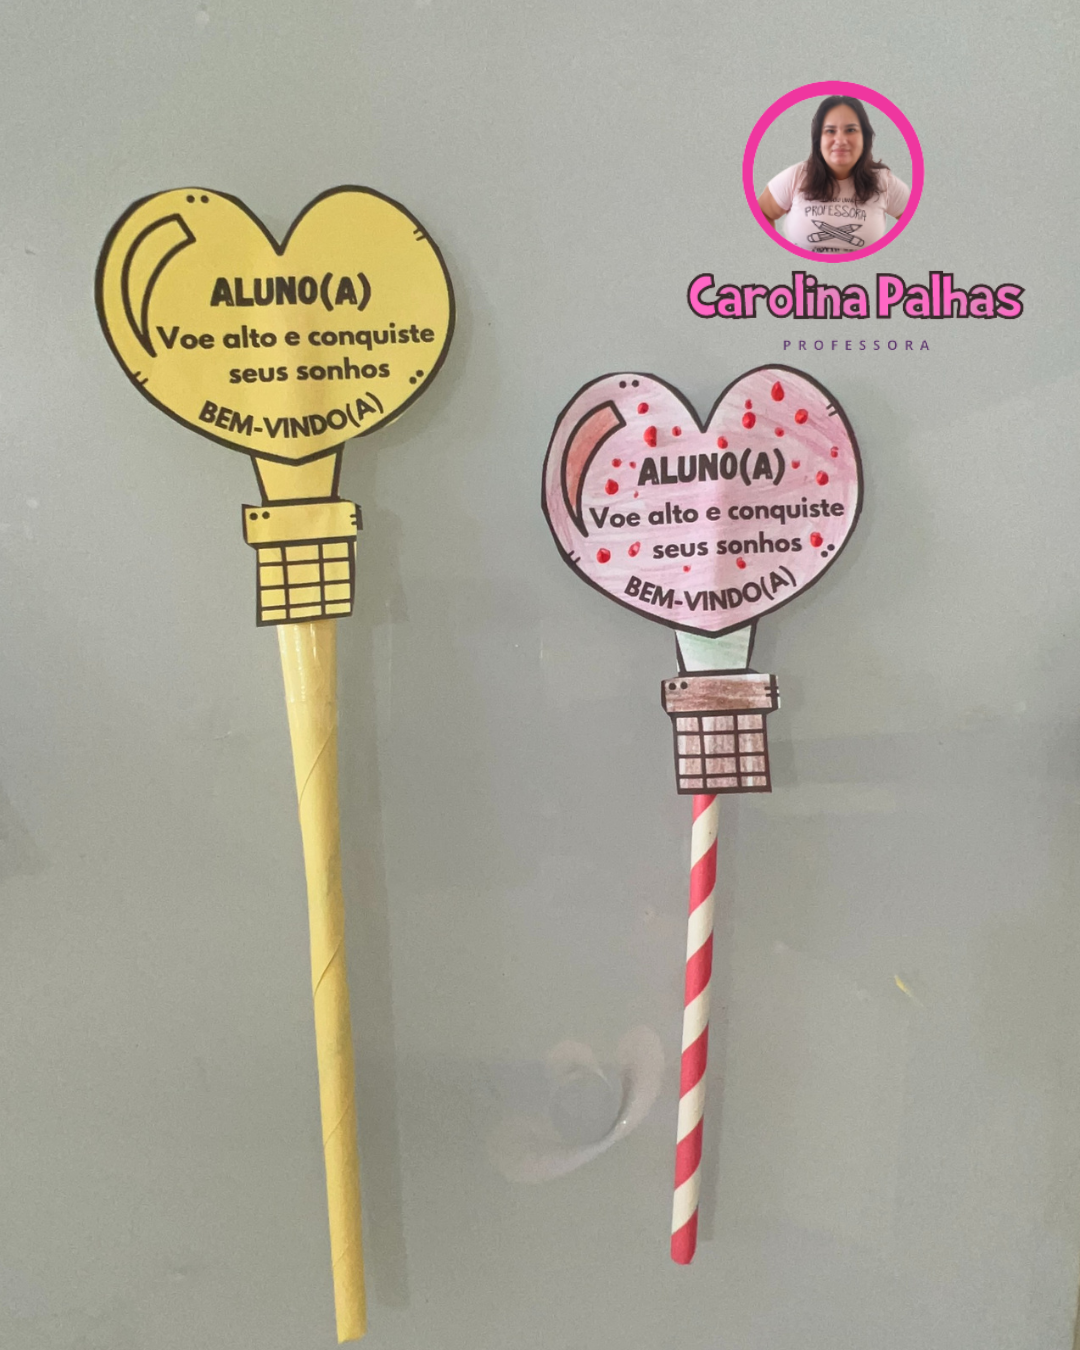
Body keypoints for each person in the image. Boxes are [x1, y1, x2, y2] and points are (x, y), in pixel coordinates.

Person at [758, 96, 909, 254]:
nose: (841, 140)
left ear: (864, 138)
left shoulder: (884, 182)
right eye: (830, 131)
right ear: (818, 140)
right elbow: (761, 213)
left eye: (850, 130)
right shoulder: (796, 176)